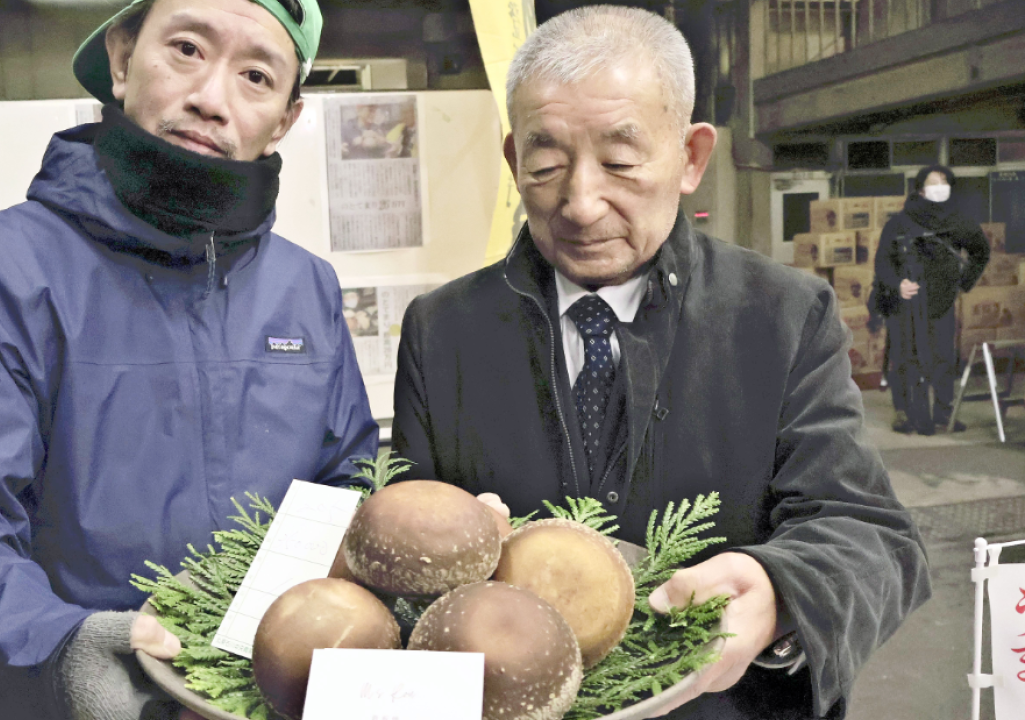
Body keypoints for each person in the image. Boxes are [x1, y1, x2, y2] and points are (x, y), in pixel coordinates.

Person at [391, 6, 930, 719]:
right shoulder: (443, 330)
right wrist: (438, 556)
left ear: (692, 157)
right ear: (513, 157)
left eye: (620, 162)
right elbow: (396, 547)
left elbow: (872, 534)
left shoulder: (783, 315)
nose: (581, 203)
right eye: (547, 163)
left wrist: (779, 592)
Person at [0, 1, 377, 718]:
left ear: (285, 120)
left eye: (256, 75)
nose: (211, 96)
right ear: (122, 58)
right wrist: (58, 647)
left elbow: (343, 488)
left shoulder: (305, 287)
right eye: (187, 49)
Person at [872, 165, 989, 435]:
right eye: (934, 183)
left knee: (943, 357)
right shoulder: (899, 222)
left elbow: (980, 252)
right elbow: (882, 262)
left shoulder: (959, 220)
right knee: (905, 358)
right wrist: (897, 284)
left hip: (941, 301)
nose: (940, 188)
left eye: (945, 183)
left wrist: (962, 283)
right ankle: (904, 411)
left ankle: (944, 412)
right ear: (921, 189)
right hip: (905, 303)